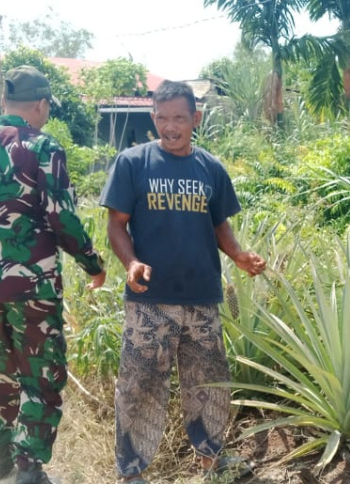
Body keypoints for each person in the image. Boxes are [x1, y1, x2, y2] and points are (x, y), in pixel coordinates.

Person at [0, 65, 106, 484]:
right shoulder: (46, 148)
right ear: (41, 105)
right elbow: (62, 218)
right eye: (47, 107)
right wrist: (92, 262)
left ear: (3, 103)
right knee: (41, 370)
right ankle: (28, 464)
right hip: (36, 288)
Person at [100, 80, 266, 483]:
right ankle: (132, 471)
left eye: (179, 118)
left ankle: (212, 461)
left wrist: (239, 255)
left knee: (207, 383)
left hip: (201, 298)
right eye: (162, 117)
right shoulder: (133, 163)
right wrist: (132, 262)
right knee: (140, 385)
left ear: (196, 117)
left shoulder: (210, 168)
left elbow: (219, 223)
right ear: (153, 117)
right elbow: (116, 224)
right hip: (149, 300)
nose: (170, 126)